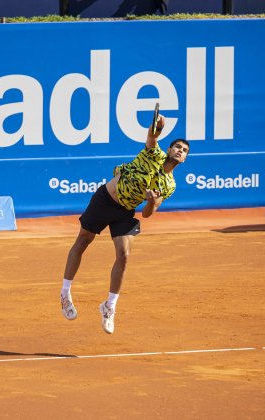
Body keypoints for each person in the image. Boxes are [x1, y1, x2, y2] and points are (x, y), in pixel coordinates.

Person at [60, 114, 189, 334]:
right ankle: (65, 293)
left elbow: (148, 213)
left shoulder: (169, 185)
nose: (180, 151)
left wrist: (149, 200)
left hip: (125, 211)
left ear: (185, 159)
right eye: (177, 147)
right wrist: (159, 126)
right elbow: (152, 136)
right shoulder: (154, 154)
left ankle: (109, 306)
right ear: (168, 150)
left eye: (185, 151)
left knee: (124, 255)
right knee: (83, 241)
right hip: (105, 200)